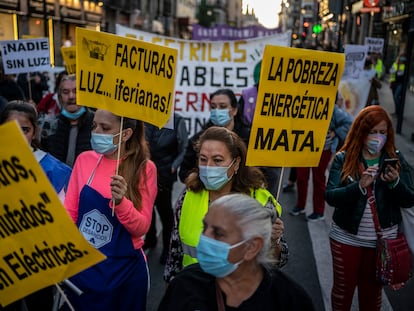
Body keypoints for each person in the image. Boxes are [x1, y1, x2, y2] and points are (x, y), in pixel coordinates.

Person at [164, 126, 288, 282]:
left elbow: (278, 261)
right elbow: (175, 255)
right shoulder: (188, 196)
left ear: (236, 164)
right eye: (203, 159)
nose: (208, 166)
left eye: (217, 160)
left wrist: (273, 241)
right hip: (195, 291)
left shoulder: (260, 202)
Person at [64, 109, 157, 311]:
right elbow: (70, 214)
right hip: (84, 267)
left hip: (123, 273)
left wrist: (122, 202)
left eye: (105, 128)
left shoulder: (145, 168)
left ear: (125, 134)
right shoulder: (84, 160)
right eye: (94, 126)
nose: (96, 132)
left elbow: (142, 227)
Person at [158, 193, 315, 311]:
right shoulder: (185, 284)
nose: (204, 239)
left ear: (252, 246)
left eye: (219, 233)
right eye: (205, 227)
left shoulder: (289, 300)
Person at [325, 105, 414, 310]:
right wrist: (359, 187)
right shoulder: (344, 158)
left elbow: (409, 199)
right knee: (343, 291)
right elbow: (331, 196)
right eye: (372, 132)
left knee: (372, 294)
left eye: (382, 132)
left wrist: (395, 183)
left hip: (381, 243)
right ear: (361, 132)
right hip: (346, 238)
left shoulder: (396, 159)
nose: (377, 137)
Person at [0, 101, 71, 309]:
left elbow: (62, 220)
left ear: (35, 131)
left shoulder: (54, 170)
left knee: (39, 304)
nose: (19, 135)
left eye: (25, 129)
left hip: (38, 260)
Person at [290, 97, 353, 221]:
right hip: (303, 146)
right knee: (301, 177)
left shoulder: (331, 108)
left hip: (322, 149)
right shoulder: (301, 102)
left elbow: (349, 122)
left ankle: (319, 211)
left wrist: (336, 131)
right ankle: (300, 205)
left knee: (318, 179)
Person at [144, 112, 189, 264]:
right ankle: (150, 239)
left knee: (164, 210)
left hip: (165, 173)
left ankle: (167, 248)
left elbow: (184, 147)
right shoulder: (147, 118)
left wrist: (174, 165)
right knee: (147, 206)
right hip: (147, 171)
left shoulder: (177, 121)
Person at [178, 88, 250, 183]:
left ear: (234, 110)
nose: (217, 111)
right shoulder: (198, 139)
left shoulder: (248, 137)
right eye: (213, 107)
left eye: (222, 106)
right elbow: (184, 172)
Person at [238, 61, 281, 197]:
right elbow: (239, 122)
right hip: (250, 150)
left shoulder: (281, 95)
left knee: (271, 185)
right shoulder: (247, 94)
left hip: (271, 151)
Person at [43, 74, 94, 167]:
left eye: (76, 91)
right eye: (66, 92)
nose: (71, 96)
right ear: (59, 96)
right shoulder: (49, 125)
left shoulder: (96, 124)